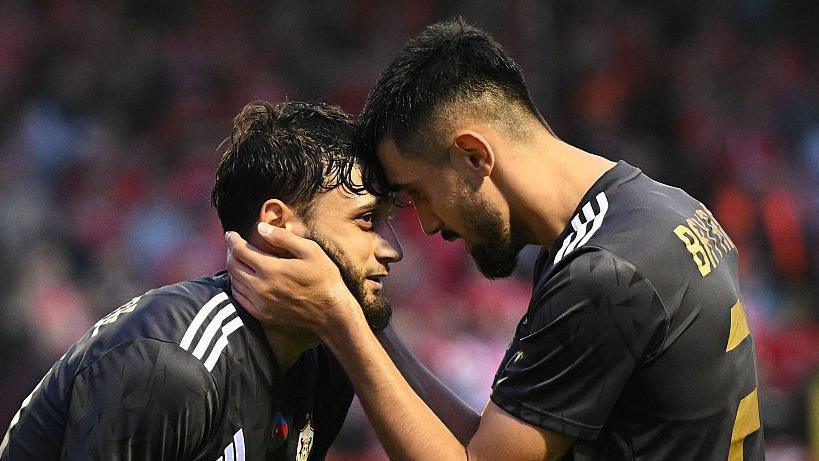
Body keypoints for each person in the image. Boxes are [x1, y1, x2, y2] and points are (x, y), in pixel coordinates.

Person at [226, 19, 764, 460]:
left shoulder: (605, 273)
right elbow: (489, 446)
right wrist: (363, 312)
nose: (430, 226)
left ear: (474, 156)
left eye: (420, 195)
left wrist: (337, 321)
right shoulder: (656, 210)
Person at [1, 100, 403, 460]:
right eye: (367, 220)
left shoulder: (322, 360)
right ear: (278, 225)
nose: (392, 248)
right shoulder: (171, 368)